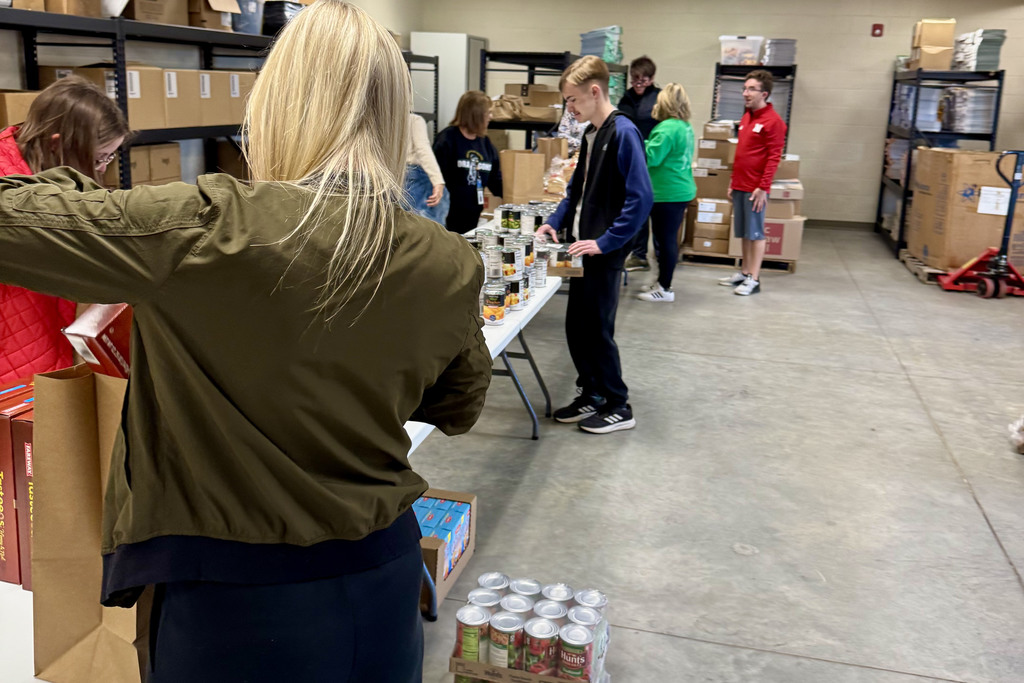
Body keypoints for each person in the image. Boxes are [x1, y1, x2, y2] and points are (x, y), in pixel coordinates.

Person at [0, 3, 492, 682]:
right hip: (382, 577)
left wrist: (41, 154)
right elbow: (459, 404)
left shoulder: (205, 228)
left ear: (278, 103)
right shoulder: (447, 260)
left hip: (237, 604)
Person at [537, 56, 653, 435]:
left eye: (573, 100)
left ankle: (619, 404)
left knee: (598, 329)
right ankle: (592, 393)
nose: (570, 109)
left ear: (595, 91)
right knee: (578, 326)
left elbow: (641, 198)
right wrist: (553, 223)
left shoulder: (623, 132)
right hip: (582, 250)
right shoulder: (592, 134)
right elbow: (575, 193)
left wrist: (606, 242)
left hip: (602, 251)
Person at [0, 75, 130, 384]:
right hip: (15, 361)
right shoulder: (10, 191)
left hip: (51, 352)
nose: (102, 169)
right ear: (56, 144)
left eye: (110, 157)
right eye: (99, 158)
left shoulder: (47, 173)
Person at [721, 69, 787, 296]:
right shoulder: (747, 117)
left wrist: (763, 187)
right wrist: (733, 180)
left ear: (764, 94)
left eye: (751, 89)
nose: (745, 93)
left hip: (755, 189)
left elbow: (773, 157)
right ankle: (745, 271)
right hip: (740, 184)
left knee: (756, 233)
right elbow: (741, 153)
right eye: (744, 88)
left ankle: (755, 279)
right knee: (744, 232)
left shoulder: (774, 122)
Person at [637, 83, 696, 303]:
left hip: (667, 193)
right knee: (666, 240)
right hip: (679, 190)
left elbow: (652, 158)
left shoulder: (666, 128)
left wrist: (636, 143)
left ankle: (665, 288)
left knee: (665, 241)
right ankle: (662, 281)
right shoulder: (685, 126)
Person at [432, 91, 503, 233]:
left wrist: (520, 195)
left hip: (473, 215)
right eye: (487, 113)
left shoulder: (485, 144)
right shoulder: (447, 140)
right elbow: (435, 178)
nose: (491, 117)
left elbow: (495, 181)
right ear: (475, 114)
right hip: (448, 216)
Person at [619, 55, 661, 274]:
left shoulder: (659, 99)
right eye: (635, 79)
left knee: (649, 208)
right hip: (628, 158)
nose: (639, 84)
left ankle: (646, 256)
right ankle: (634, 253)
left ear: (652, 79)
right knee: (632, 208)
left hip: (652, 161)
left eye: (643, 80)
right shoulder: (625, 99)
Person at [403, 112, 448, 225]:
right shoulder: (414, 120)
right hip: (415, 178)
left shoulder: (382, 121)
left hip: (393, 179)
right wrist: (437, 181)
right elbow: (422, 149)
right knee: (429, 229)